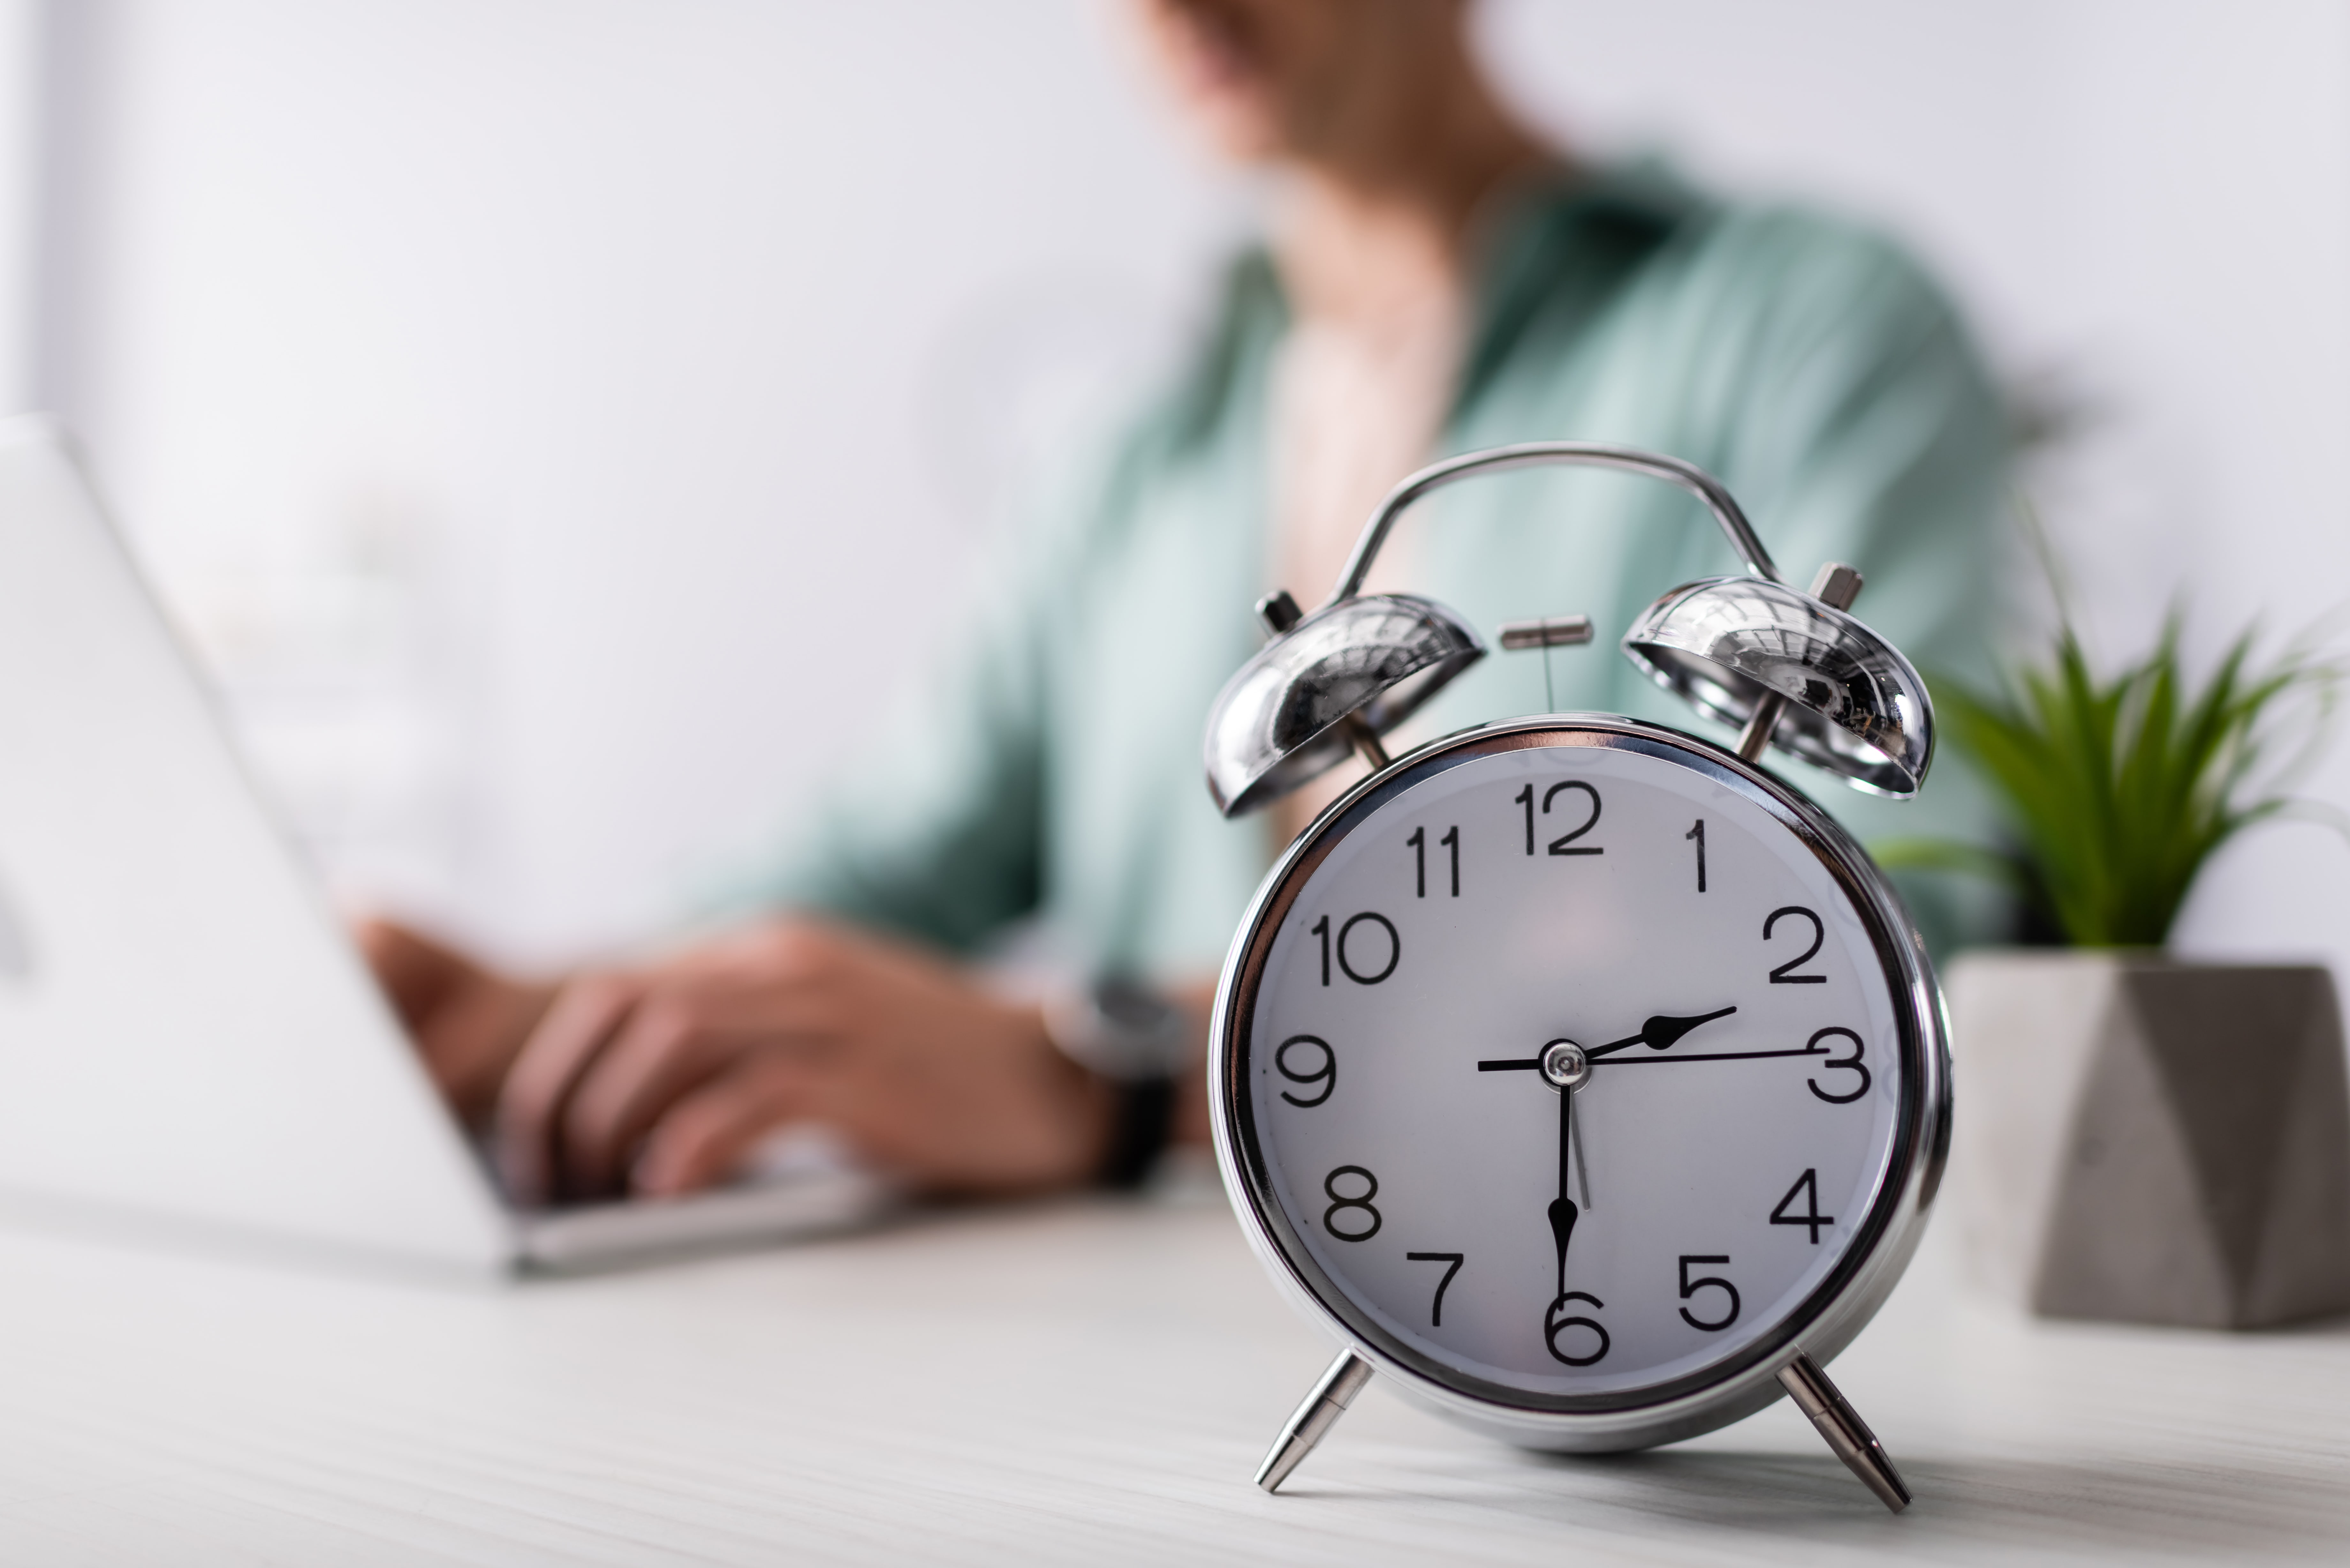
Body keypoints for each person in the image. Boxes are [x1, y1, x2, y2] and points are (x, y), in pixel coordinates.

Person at [365, 0, 2007, 1208]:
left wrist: (1114, 1072)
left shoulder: (1805, 326)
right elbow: (891, 858)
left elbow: (1875, 927)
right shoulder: (1130, 466)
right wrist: (541, 1010)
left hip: (1602, 1349)